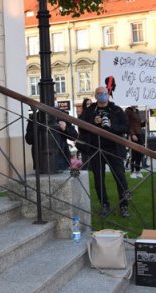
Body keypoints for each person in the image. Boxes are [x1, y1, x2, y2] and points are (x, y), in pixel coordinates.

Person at [78, 86, 130, 218]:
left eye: (105, 93)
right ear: (95, 96)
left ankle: (124, 205)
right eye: (99, 94)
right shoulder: (89, 110)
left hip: (114, 149)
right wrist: (92, 123)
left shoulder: (116, 110)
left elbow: (125, 128)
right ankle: (105, 204)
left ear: (109, 95)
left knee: (120, 177)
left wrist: (111, 126)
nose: (102, 96)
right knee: (98, 179)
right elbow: (81, 127)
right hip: (96, 149)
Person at [25, 108, 78, 172]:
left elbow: (74, 136)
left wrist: (65, 128)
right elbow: (28, 140)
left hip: (61, 159)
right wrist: (36, 128)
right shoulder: (35, 118)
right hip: (41, 160)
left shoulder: (61, 116)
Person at [125, 105, 144, 178]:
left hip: (139, 134)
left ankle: (138, 171)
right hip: (133, 134)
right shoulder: (128, 111)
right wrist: (132, 134)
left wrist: (144, 123)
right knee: (133, 154)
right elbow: (128, 124)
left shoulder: (137, 111)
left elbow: (138, 124)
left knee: (139, 154)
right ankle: (132, 171)